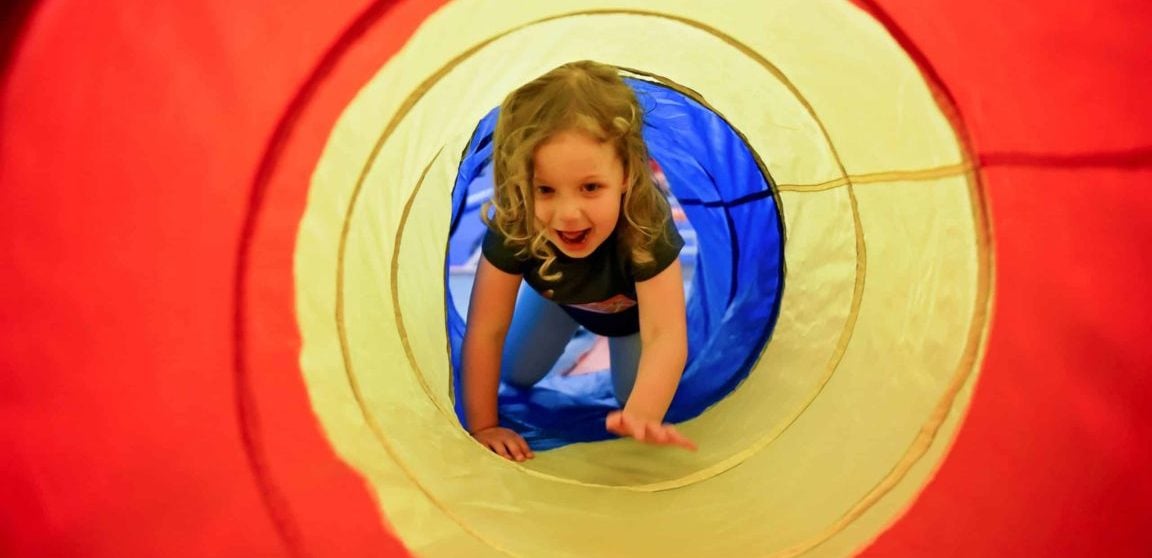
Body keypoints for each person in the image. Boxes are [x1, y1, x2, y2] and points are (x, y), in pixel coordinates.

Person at [462, 60, 697, 462]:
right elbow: (486, 329)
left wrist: (641, 415)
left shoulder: (645, 223)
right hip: (557, 298)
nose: (568, 214)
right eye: (546, 189)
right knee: (514, 373)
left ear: (626, 173)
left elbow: (665, 333)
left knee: (631, 396)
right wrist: (483, 425)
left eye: (590, 187)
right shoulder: (517, 221)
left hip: (630, 321)